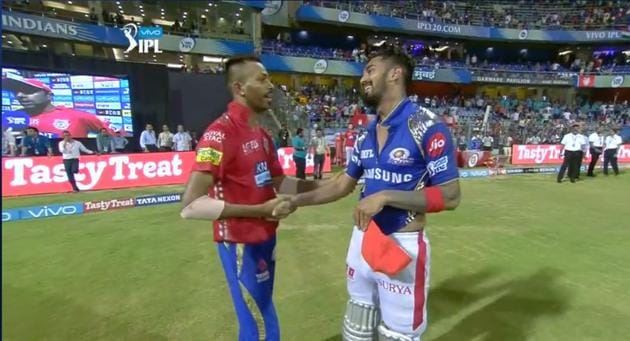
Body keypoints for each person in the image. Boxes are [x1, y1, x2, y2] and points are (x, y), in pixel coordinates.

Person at [274, 45, 461, 340]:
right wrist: (296, 200)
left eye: (371, 70)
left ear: (395, 74)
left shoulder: (427, 126)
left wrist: (386, 196)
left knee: (397, 336)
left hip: (403, 245)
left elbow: (450, 195)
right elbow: (340, 185)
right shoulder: (366, 135)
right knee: (356, 329)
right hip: (362, 242)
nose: (363, 78)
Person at [179, 56, 325, 341]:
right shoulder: (219, 135)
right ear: (240, 88)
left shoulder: (262, 134)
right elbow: (191, 205)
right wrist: (260, 210)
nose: (271, 86)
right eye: (262, 79)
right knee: (258, 323)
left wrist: (327, 185)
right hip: (240, 243)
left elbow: (281, 182)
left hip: (264, 239)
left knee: (263, 313)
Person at [2, 76, 112, 138]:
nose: (19, 95)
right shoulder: (10, 118)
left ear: (49, 96)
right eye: (16, 91)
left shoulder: (78, 117)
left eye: (28, 90)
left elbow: (118, 138)